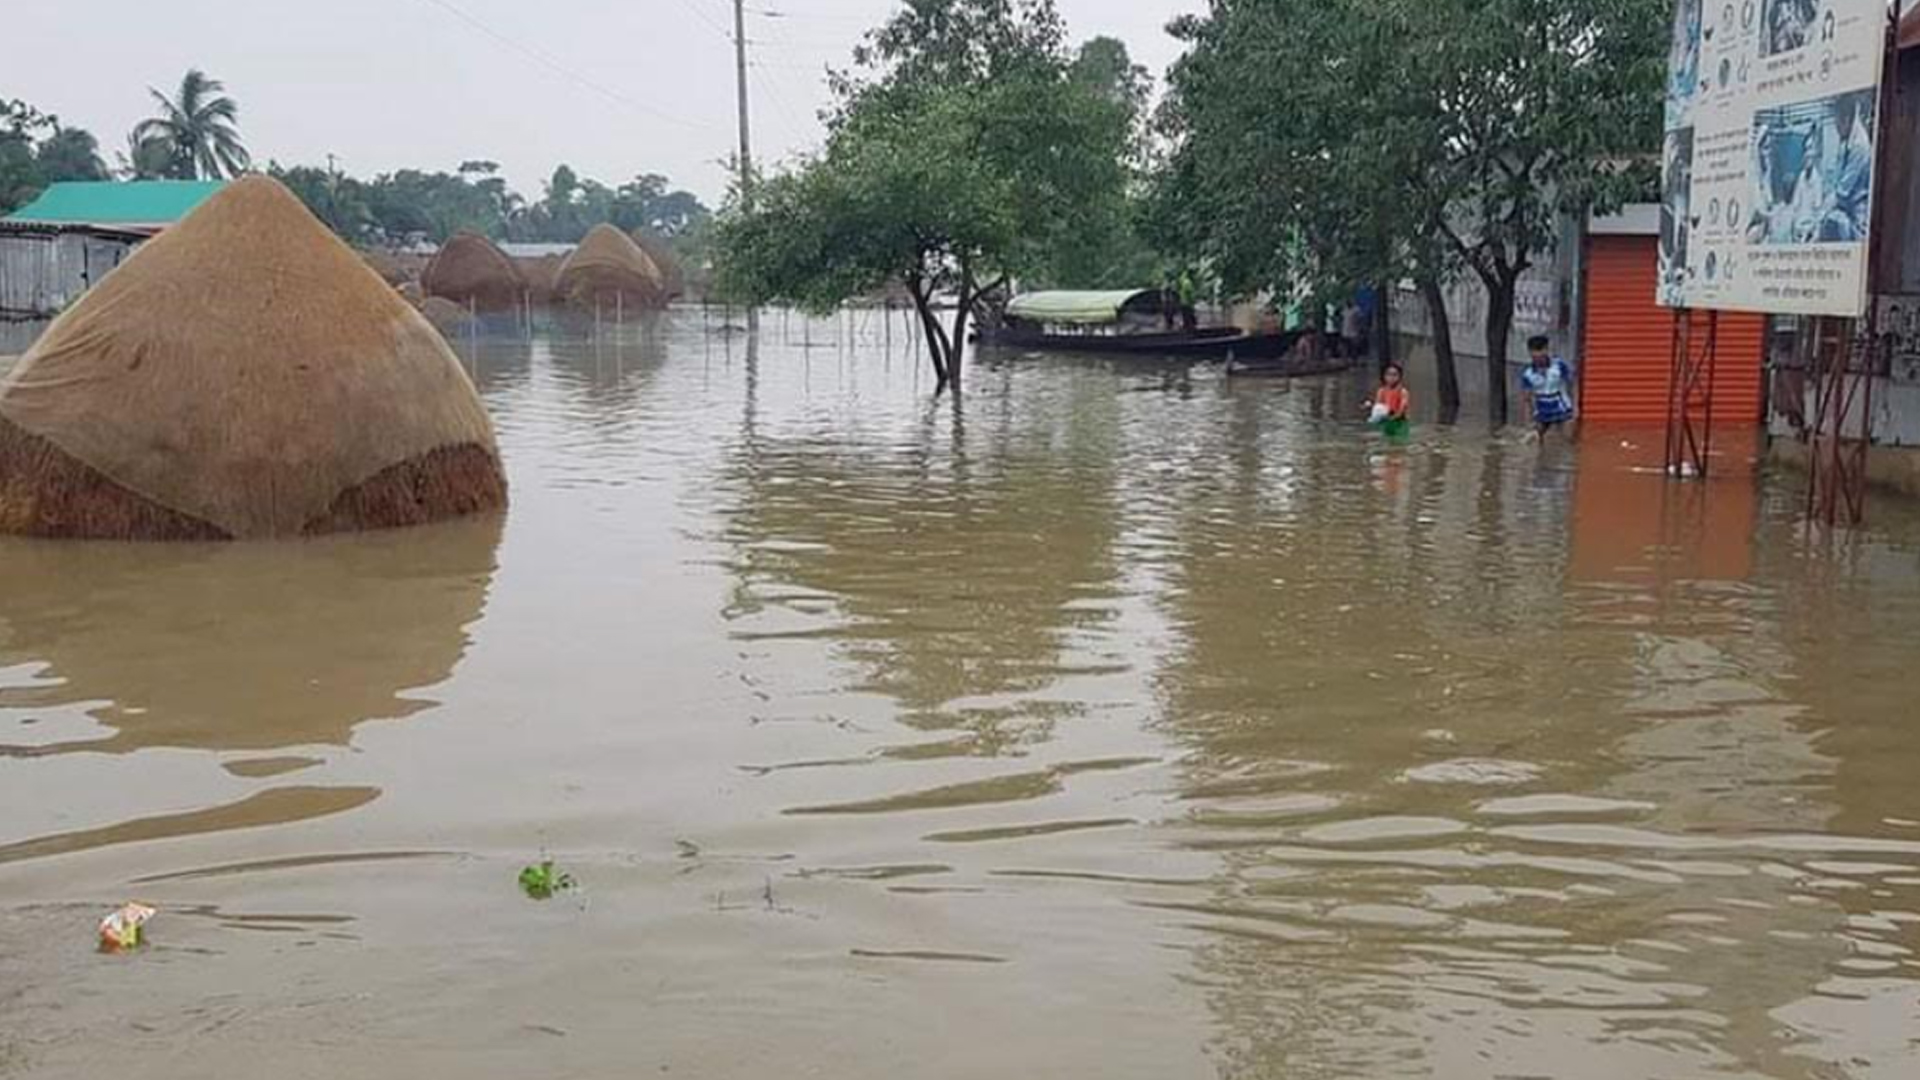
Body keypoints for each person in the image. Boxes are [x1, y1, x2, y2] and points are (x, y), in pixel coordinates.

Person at [1519, 336, 1576, 441]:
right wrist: (1528, 424)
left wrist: (1575, 408)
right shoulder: (1527, 373)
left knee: (1568, 442)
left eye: (1540, 355)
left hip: (1562, 409)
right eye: (1534, 356)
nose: (1537, 359)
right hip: (1541, 412)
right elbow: (1526, 399)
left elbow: (1572, 385)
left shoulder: (1559, 365)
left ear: (1546, 350)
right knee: (1533, 443)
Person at [1369, 362, 1412, 440]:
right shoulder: (1381, 391)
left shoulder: (1403, 392)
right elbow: (1377, 406)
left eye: (1394, 375)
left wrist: (1392, 417)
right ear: (1384, 376)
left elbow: (1402, 409)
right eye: (1388, 374)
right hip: (1386, 422)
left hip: (1400, 423)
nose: (1391, 377)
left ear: (1399, 377)